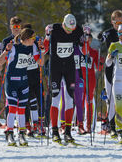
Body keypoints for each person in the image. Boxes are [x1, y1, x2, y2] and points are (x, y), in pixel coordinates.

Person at [43, 14, 84, 144]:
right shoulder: (54, 29)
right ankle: (54, 131)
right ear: (63, 24)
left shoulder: (77, 30)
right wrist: (47, 35)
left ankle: (67, 131)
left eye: (71, 29)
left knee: (69, 98)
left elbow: (84, 50)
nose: (69, 32)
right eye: (67, 29)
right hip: (55, 68)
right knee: (55, 98)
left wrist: (85, 38)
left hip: (70, 68)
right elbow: (44, 49)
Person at [0, 28, 37, 146]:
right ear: (27, 38)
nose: (34, 40)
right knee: (13, 108)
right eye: (33, 38)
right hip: (12, 82)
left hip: (23, 82)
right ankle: (9, 133)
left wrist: (42, 50)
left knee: (22, 109)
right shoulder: (14, 47)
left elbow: (40, 62)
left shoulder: (32, 47)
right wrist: (5, 52)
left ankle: (21, 134)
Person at [97, 10, 122, 138]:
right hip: (110, 69)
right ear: (112, 22)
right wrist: (101, 37)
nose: (119, 25)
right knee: (110, 101)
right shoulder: (109, 33)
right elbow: (102, 36)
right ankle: (112, 127)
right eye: (117, 22)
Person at [0, 16, 22, 125]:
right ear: (11, 27)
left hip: (22, 74)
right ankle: (9, 124)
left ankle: (23, 123)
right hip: (10, 74)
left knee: (22, 101)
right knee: (10, 100)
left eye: (18, 26)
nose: (17, 29)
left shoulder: (24, 40)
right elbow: (2, 58)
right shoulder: (6, 40)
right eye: (14, 26)